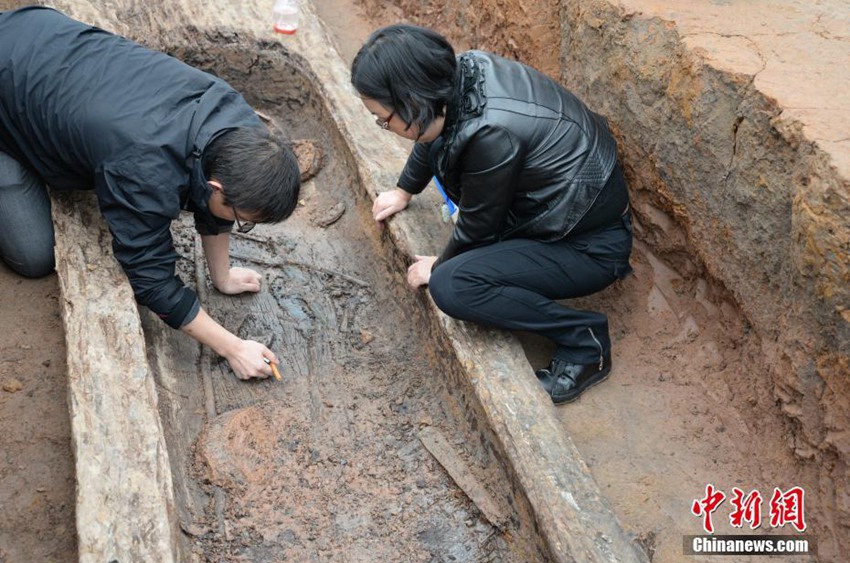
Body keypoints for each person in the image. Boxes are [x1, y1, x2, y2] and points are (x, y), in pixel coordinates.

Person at [0, 6, 300, 380]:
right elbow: (150, 279)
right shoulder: (143, 167)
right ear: (218, 188)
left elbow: (213, 197)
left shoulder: (238, 125)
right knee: (34, 255)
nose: (241, 225)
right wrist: (234, 348)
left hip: (42, 41)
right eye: (244, 221)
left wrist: (220, 276)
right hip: (13, 80)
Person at [351, 24, 633, 404]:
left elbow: (478, 227)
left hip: (587, 246)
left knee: (454, 286)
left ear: (411, 103)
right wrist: (404, 190)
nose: (383, 126)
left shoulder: (492, 134)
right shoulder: (462, 74)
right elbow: (434, 134)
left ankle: (585, 342)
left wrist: (437, 267)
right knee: (455, 271)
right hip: (553, 211)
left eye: (383, 119)